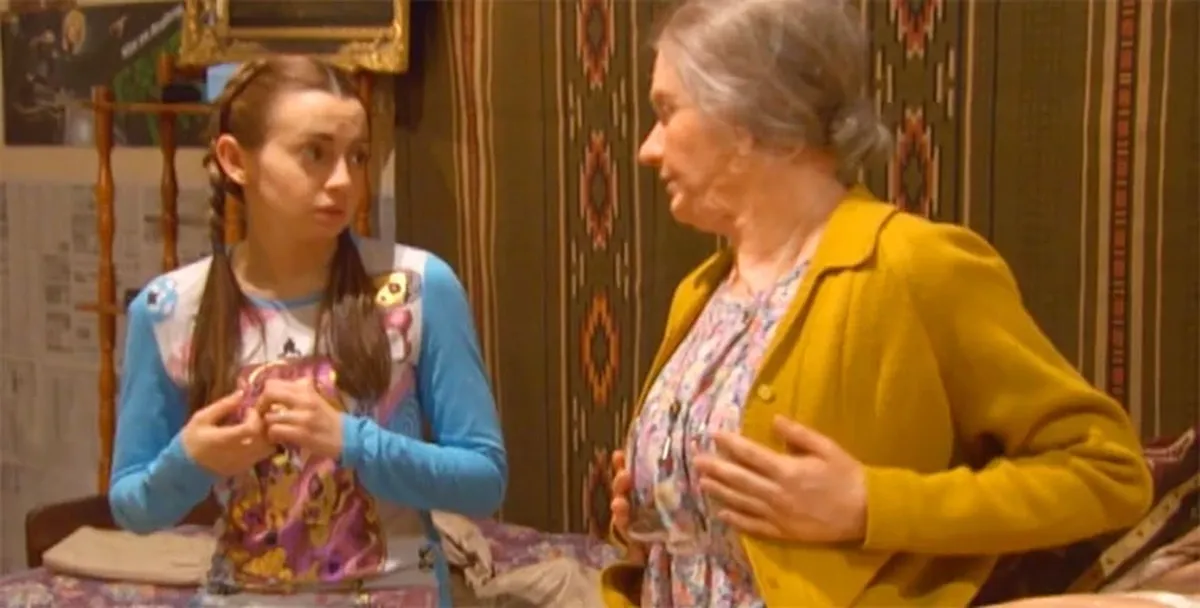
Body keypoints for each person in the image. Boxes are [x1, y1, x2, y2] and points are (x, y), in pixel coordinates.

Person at [603, 0, 1153, 606]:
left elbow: (1108, 474)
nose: (648, 149)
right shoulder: (701, 292)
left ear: (750, 113)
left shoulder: (913, 265)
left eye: (666, 112)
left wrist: (870, 504)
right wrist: (656, 510)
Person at [108, 55, 507, 606]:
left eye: (358, 156)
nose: (344, 181)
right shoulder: (170, 309)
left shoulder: (417, 287)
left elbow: (485, 481)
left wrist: (352, 442)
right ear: (235, 160)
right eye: (314, 153)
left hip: (393, 593)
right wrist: (192, 460)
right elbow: (132, 507)